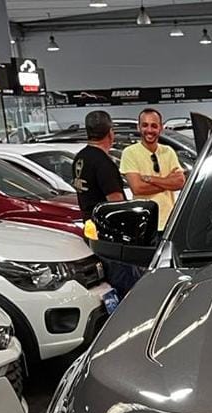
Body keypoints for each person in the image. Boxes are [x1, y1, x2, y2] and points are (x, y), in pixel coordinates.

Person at [72, 110, 139, 298]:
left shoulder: (80, 158)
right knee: (127, 289)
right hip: (110, 238)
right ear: (110, 133)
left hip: (91, 231)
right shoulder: (103, 163)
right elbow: (116, 203)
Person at [119, 108, 185, 230]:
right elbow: (138, 188)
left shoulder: (169, 152)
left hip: (170, 223)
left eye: (154, 126)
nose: (149, 130)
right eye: (145, 125)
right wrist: (168, 182)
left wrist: (151, 179)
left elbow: (180, 182)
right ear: (139, 127)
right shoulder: (129, 153)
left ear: (161, 128)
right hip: (145, 224)